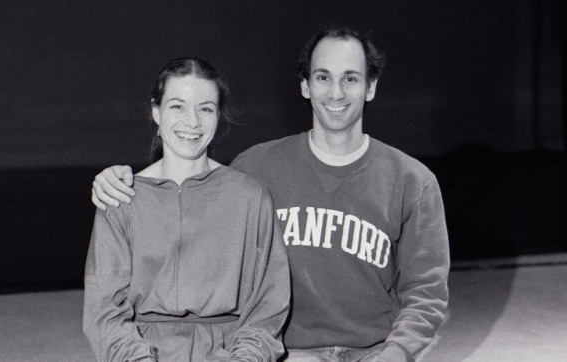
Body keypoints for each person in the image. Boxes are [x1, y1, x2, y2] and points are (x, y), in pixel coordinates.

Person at [91, 26, 450, 362]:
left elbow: (427, 291)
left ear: (370, 86)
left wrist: (397, 353)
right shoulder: (256, 168)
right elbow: (192, 189)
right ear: (305, 86)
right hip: (291, 352)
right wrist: (117, 178)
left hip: (375, 350)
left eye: (350, 78)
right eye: (323, 77)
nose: (336, 92)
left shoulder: (413, 181)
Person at [83, 57, 290, 362]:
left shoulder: (250, 197)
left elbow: (268, 306)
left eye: (205, 108)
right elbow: (104, 312)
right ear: (156, 111)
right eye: (177, 106)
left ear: (218, 116)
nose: (192, 122)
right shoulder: (121, 197)